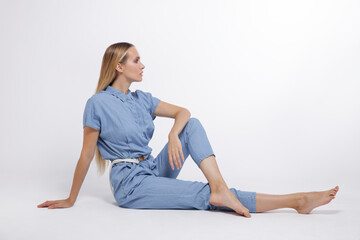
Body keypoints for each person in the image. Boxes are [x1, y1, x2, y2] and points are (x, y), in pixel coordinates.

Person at [37, 42, 339, 218]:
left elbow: (183, 113)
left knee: (190, 126)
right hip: (131, 184)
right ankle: (296, 201)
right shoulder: (98, 103)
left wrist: (171, 134)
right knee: (202, 194)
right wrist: (70, 198)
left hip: (153, 169)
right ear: (119, 66)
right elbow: (86, 154)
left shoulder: (143, 99)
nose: (143, 65)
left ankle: (220, 188)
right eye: (136, 60)